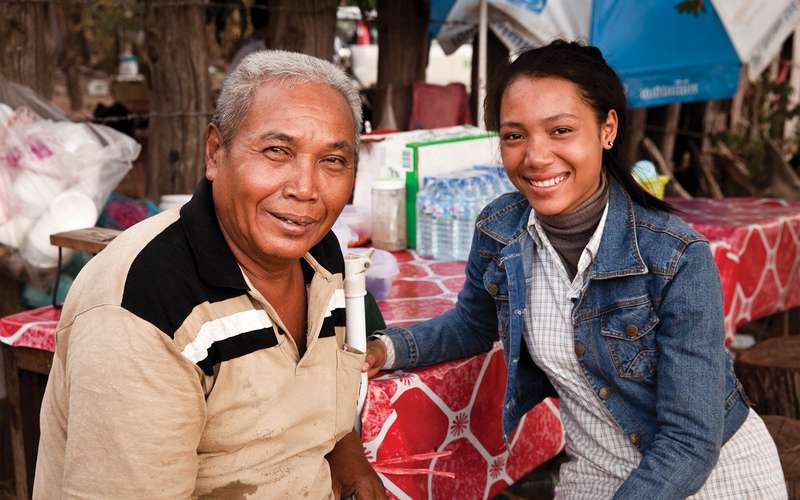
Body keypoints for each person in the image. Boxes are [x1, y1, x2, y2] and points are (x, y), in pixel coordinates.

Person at [364, 40, 787, 499]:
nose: (535, 156)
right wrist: (386, 349)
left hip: (709, 477)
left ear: (607, 129)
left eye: (560, 130)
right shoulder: (500, 229)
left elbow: (690, 442)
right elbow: (471, 323)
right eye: (514, 136)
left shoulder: (674, 256)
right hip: (595, 472)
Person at [35, 50, 387, 500]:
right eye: (277, 151)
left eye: (333, 161)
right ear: (215, 152)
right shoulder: (143, 308)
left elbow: (314, 400)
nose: (306, 189)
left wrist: (346, 453)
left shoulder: (319, 254)